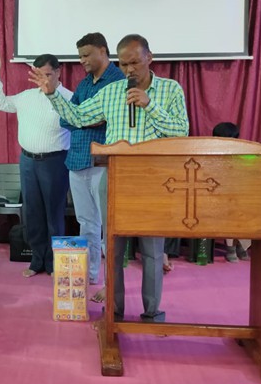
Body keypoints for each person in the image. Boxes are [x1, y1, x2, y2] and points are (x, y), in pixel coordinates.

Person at [30, 34, 189, 321]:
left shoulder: (170, 89)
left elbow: (181, 131)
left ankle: (152, 313)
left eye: (135, 62)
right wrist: (53, 94)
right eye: (124, 64)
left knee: (152, 250)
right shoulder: (112, 91)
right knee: (113, 246)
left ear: (149, 58)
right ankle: (114, 312)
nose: (129, 70)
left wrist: (149, 105)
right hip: (115, 176)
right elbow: (78, 117)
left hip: (155, 180)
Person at [0, 50, 72, 277]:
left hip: (55, 162)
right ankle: (36, 260)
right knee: (32, 212)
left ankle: (54, 263)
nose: (42, 80)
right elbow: (0, 102)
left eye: (47, 75)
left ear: (58, 72)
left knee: (54, 214)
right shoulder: (26, 97)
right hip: (27, 161)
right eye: (38, 75)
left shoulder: (69, 98)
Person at [60, 33, 125, 285]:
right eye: (80, 57)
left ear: (103, 51)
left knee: (109, 225)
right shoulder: (85, 83)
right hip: (77, 159)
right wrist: (90, 120)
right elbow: (66, 119)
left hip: (103, 161)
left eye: (86, 55)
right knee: (86, 222)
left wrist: (83, 118)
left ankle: (111, 283)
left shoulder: (118, 80)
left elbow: (113, 119)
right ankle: (90, 274)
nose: (82, 61)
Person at [212, 122, 251, 262]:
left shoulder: (240, 154)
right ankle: (231, 248)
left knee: (247, 205)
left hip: (236, 194)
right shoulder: (211, 153)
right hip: (217, 197)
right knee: (230, 208)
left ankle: (241, 245)